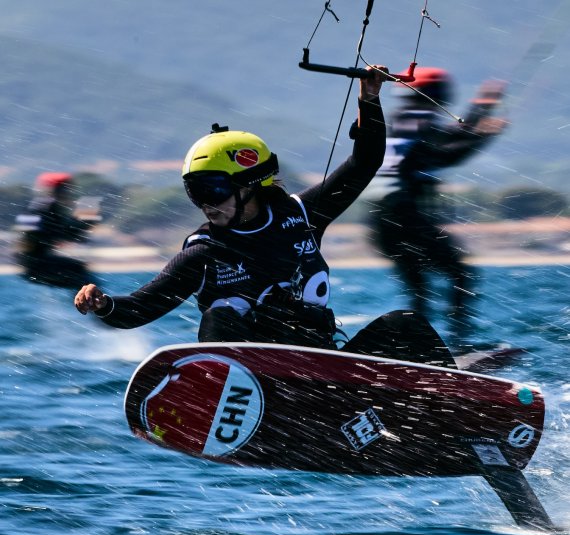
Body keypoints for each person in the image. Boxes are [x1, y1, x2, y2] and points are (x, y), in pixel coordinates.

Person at [74, 67, 456, 368]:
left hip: (328, 367)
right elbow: (140, 308)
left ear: (251, 184)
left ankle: (469, 419)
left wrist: (369, 101)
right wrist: (104, 305)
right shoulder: (204, 253)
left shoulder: (302, 214)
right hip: (261, 382)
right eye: (195, 192)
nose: (205, 203)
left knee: (406, 325)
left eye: (214, 190)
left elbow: (365, 162)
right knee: (219, 318)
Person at [368, 67, 507, 339]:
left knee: (420, 292)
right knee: (460, 275)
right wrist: (483, 133)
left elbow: (449, 142)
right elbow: (449, 148)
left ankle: (414, 347)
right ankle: (459, 341)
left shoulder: (404, 120)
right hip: (404, 217)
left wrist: (482, 108)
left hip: (384, 222)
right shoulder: (420, 119)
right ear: (438, 95)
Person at [13, 172, 100, 290]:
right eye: (66, 189)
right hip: (34, 265)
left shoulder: (42, 207)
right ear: (57, 190)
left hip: (33, 264)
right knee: (80, 273)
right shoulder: (43, 208)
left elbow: (64, 233)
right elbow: (34, 236)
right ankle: (92, 306)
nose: (69, 193)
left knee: (79, 273)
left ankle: (82, 306)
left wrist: (84, 224)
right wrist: (83, 223)